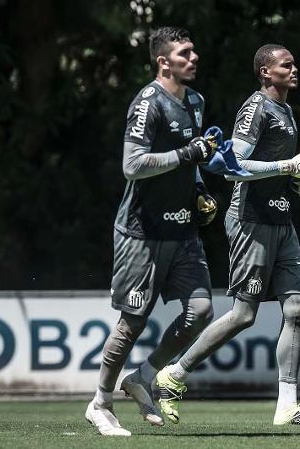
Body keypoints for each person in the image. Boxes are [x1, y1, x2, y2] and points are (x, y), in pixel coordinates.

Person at [155, 44, 300, 426]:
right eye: (287, 64)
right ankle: (173, 374)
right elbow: (232, 169)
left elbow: (271, 170)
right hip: (250, 218)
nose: (294, 68)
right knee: (243, 315)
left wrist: (297, 179)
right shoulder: (256, 108)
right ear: (266, 73)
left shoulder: (285, 108)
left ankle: (287, 406)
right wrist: (287, 164)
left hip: (281, 219)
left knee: (298, 308)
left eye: (294, 63)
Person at [85, 26, 220, 436]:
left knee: (201, 312)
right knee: (133, 322)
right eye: (185, 52)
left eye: (194, 51)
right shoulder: (148, 102)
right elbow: (133, 165)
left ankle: (142, 377)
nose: (194, 58)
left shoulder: (195, 101)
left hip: (182, 230)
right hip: (141, 232)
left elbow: (192, 162)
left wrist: (199, 191)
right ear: (163, 62)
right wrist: (185, 154)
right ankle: (100, 402)